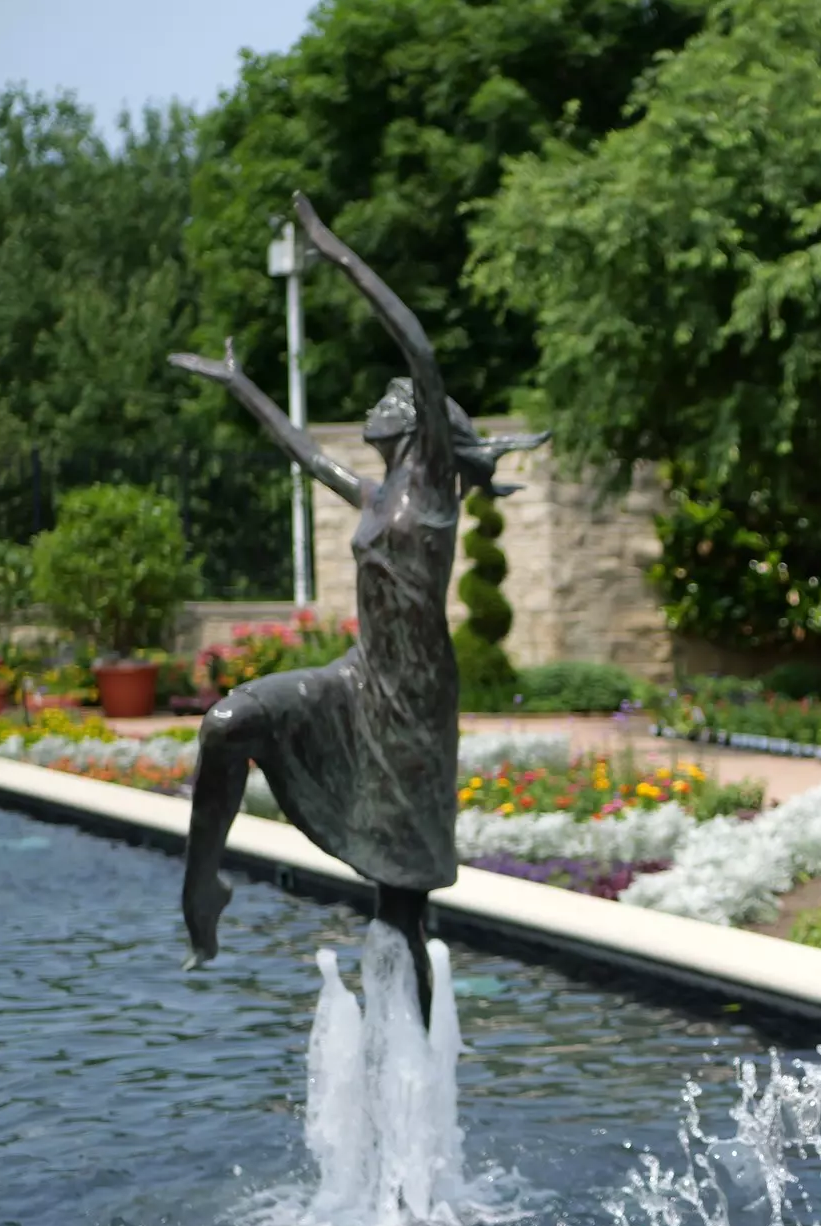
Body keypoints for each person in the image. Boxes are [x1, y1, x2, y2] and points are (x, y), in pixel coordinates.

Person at [169, 194, 545, 1027]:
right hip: (357, 679)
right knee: (229, 723)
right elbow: (306, 452)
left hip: (412, 702)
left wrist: (331, 249)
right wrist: (241, 385)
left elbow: (413, 336)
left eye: (388, 395)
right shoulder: (377, 494)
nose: (376, 400)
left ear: (415, 422)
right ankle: (205, 884)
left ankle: (411, 1074)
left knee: (401, 903)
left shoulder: (435, 481)